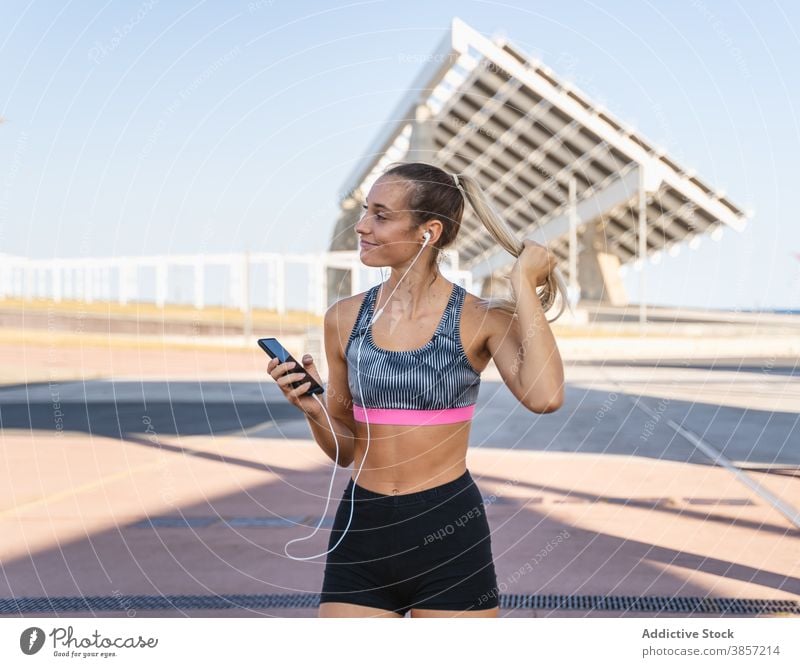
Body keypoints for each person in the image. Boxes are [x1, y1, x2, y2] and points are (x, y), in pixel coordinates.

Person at [267, 161, 566, 618]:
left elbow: (545, 396)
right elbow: (346, 451)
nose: (362, 226)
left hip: (448, 530)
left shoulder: (480, 318)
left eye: (381, 216)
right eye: (366, 211)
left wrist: (523, 283)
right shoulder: (343, 318)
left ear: (429, 231)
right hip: (361, 528)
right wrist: (312, 408)